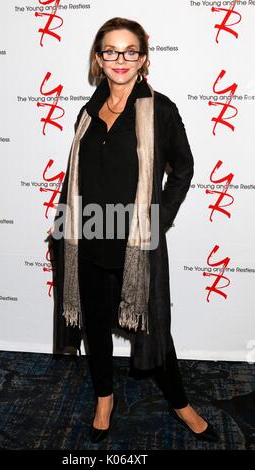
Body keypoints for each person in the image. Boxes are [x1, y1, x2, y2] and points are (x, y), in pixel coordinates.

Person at [48, 17, 219, 445]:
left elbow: (184, 168)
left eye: (130, 51)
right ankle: (104, 399)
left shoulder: (160, 109)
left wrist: (159, 220)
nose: (119, 60)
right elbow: (76, 175)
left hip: (135, 245)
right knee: (95, 327)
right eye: (110, 51)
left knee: (154, 329)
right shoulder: (87, 112)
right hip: (86, 239)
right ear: (98, 58)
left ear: (143, 58)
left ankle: (181, 404)